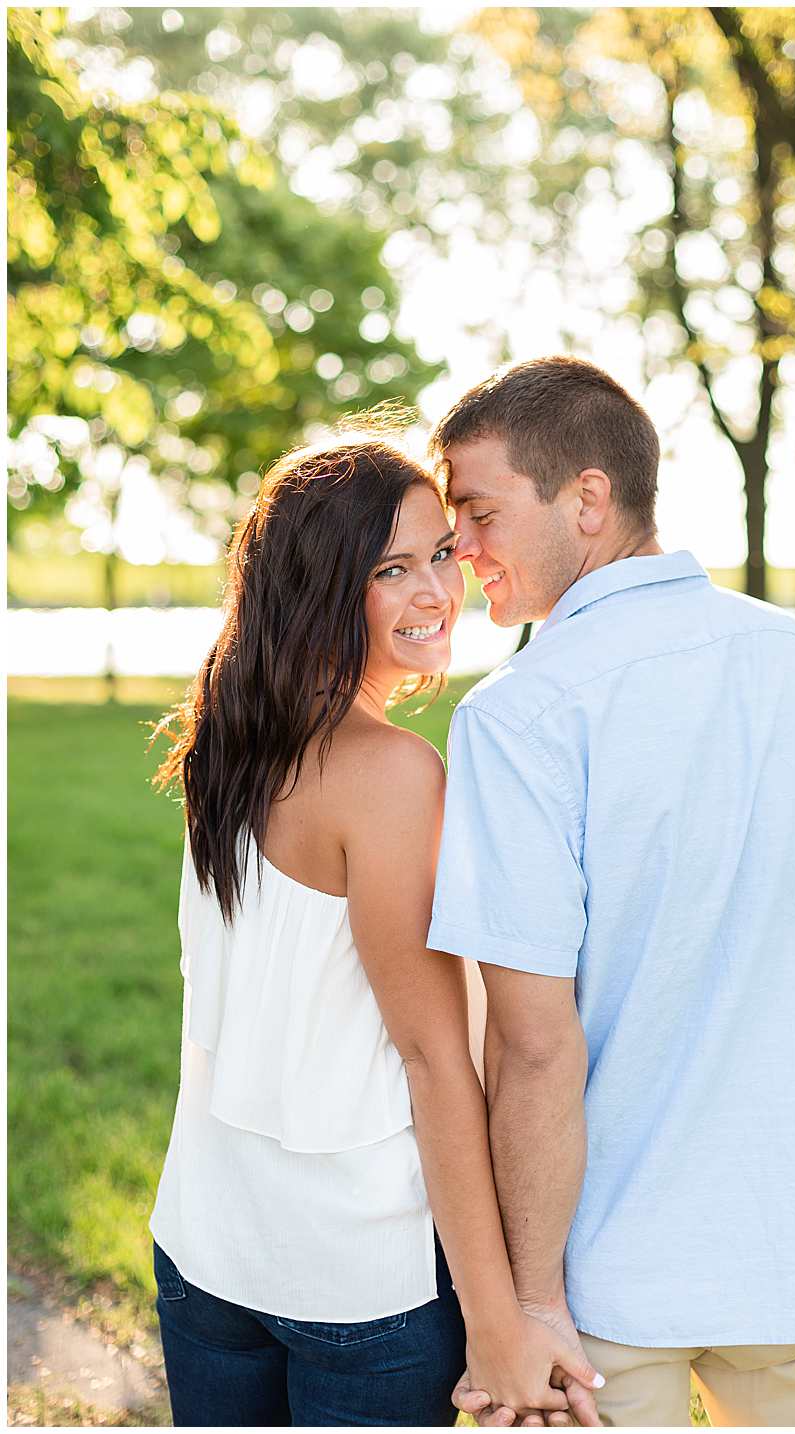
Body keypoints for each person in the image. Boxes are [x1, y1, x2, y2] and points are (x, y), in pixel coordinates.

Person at [423, 356, 795, 1428]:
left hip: (604, 1275)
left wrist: (529, 1304)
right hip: (793, 1244)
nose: (461, 548)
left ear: (587, 498)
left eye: (481, 513)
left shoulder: (521, 714)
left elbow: (532, 1045)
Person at [148, 437, 600, 1426]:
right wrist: (498, 1320)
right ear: (320, 588)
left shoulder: (227, 732)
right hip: (356, 1283)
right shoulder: (391, 774)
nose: (437, 590)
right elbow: (436, 1062)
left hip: (203, 1247)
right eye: (391, 569)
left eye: (441, 553)